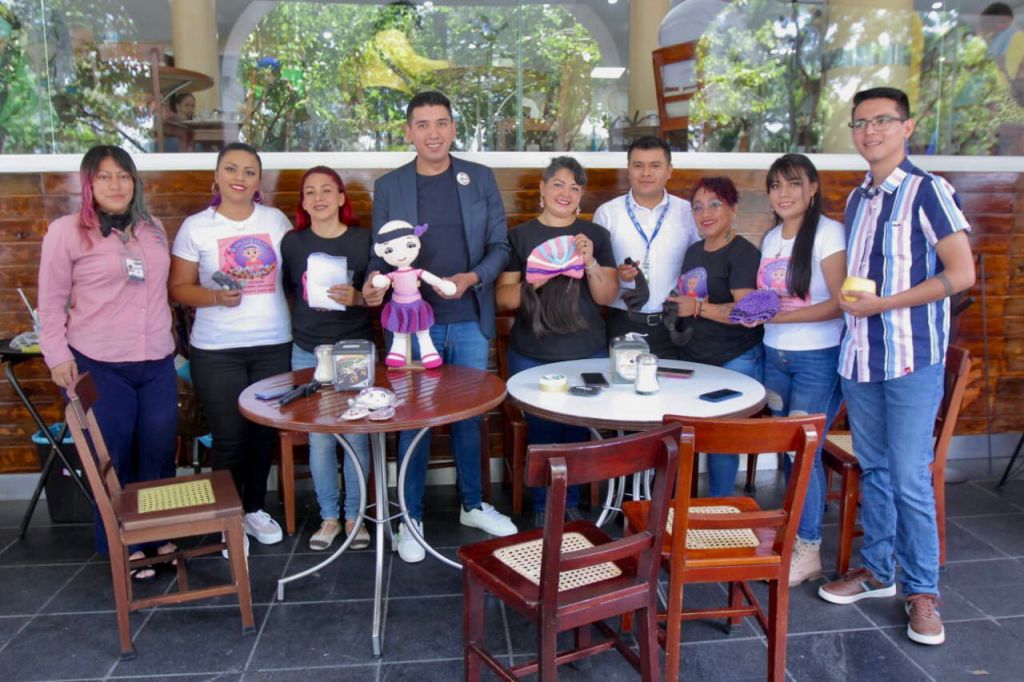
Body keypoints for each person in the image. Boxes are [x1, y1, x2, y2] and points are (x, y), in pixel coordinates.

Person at [817, 87, 975, 648]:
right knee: (876, 470)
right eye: (860, 122)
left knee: (909, 477)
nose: (870, 131)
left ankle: (922, 591)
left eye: (882, 120)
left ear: (907, 128)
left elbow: (961, 274)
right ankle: (878, 571)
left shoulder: (929, 191)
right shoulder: (858, 198)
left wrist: (886, 303)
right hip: (862, 356)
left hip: (910, 357)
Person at [362, 90, 516, 563]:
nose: (433, 133)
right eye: (423, 124)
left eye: (442, 123)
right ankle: (411, 518)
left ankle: (473, 504)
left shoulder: (479, 178)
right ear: (409, 132)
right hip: (409, 327)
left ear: (453, 128)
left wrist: (472, 278)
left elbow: (500, 246)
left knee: (470, 416)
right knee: (413, 420)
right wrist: (372, 284)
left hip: (468, 316)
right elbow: (379, 255)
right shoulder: (391, 186)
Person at [38, 145, 177, 577]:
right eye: (104, 176)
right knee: (113, 452)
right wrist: (57, 356)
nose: (115, 185)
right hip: (99, 360)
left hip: (156, 358)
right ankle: (123, 541)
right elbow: (51, 302)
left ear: (134, 181)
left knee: (157, 447)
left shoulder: (152, 228)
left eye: (123, 175)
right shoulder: (66, 232)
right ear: (88, 184)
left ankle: (155, 532)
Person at [169, 142, 293, 551]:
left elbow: (298, 274)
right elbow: (178, 288)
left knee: (262, 435)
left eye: (249, 171)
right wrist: (214, 297)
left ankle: (253, 509)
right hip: (216, 350)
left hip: (273, 344)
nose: (240, 178)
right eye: (231, 169)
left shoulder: (276, 221)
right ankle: (228, 520)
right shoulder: (196, 227)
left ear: (258, 181)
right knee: (229, 437)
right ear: (217, 176)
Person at [496, 156, 618, 527]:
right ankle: (542, 504)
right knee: (543, 431)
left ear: (581, 196)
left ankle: (572, 502)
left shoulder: (596, 236)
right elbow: (502, 298)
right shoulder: (519, 236)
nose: (565, 193)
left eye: (574, 187)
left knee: (578, 430)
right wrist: (534, 280)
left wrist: (590, 262)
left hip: (587, 352)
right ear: (543, 189)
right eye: (558, 184)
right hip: (532, 353)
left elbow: (607, 295)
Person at [752, 153, 845, 586]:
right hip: (776, 356)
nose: (783, 193)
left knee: (803, 452)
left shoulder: (828, 233)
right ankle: (793, 536)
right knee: (788, 449)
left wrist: (779, 318)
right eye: (776, 185)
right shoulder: (771, 238)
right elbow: (770, 299)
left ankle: (808, 548)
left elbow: (840, 303)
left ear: (812, 188)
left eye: (793, 183)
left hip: (816, 358)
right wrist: (753, 313)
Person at [281, 166, 372, 551]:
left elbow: (377, 296)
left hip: (354, 349)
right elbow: (290, 290)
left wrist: (358, 297)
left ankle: (355, 517)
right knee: (319, 439)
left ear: (340, 198)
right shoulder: (292, 243)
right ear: (303, 202)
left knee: (356, 436)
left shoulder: (363, 239)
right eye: (310, 192)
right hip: (308, 349)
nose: (318, 198)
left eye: (326, 190)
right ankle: (329, 517)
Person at [668, 177, 763, 496]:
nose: (705, 213)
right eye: (697, 207)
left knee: (722, 441)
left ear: (733, 208)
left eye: (714, 204)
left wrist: (696, 307)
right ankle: (687, 509)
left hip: (733, 358)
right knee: (688, 435)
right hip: (694, 358)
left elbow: (747, 312)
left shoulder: (743, 253)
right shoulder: (694, 251)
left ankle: (719, 506)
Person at [593, 135, 699, 358]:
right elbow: (596, 274)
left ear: (669, 171)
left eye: (655, 165)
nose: (646, 173)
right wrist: (618, 275)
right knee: (620, 381)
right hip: (623, 323)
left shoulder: (688, 212)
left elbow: (700, 267)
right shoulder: (607, 214)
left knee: (673, 381)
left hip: (673, 325)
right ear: (628, 170)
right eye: (638, 165)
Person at [979, 3, 1024, 154]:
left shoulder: (1013, 36)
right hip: (1005, 103)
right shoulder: (1004, 37)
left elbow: (999, 64)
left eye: (991, 22)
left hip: (1005, 101)